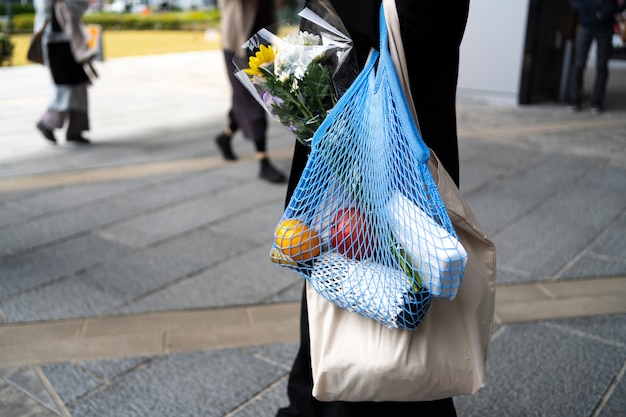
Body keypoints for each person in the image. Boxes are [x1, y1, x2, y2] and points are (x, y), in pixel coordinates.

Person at [276, 1, 469, 416]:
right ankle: (314, 397)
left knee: (388, 311)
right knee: (330, 298)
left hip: (390, 169)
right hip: (346, 160)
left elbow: (416, 24)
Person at [216, 0, 287, 183]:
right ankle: (263, 161)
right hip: (237, 47)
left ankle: (226, 136)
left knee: (242, 100)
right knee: (253, 100)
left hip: (261, 42)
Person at [34, 0, 93, 145]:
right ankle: (48, 123)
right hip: (55, 41)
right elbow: (45, 7)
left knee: (79, 85)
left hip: (72, 40)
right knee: (63, 87)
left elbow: (81, 6)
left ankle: (75, 129)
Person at [567, 0, 626, 114]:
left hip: (605, 28)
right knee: (579, 64)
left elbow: (621, 5)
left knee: (602, 66)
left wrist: (615, 8)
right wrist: (585, 9)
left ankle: (597, 102)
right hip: (585, 25)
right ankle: (574, 100)